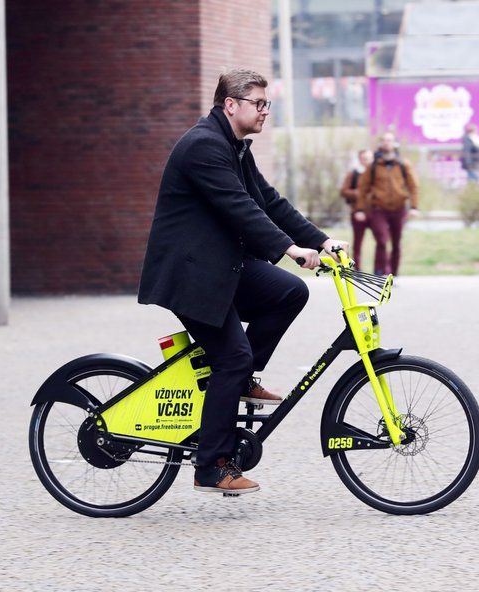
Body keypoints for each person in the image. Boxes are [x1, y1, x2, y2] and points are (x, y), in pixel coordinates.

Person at [137, 69, 348, 495]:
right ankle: (211, 467)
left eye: (267, 104)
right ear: (230, 105)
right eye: (259, 103)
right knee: (230, 357)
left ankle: (242, 377)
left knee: (289, 292)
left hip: (221, 265)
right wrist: (290, 249)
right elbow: (239, 209)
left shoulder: (234, 148)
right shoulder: (203, 147)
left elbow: (268, 202)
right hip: (191, 273)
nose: (265, 111)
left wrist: (321, 240)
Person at [354, 132, 419, 276]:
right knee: (382, 240)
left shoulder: (403, 164)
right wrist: (360, 209)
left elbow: (413, 186)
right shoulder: (374, 166)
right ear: (380, 144)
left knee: (396, 243)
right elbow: (363, 188)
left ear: (394, 143)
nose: (386, 143)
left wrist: (414, 207)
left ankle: (393, 274)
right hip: (379, 209)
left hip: (399, 208)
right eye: (384, 140)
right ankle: (380, 272)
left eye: (389, 140)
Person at [340, 149, 373, 267]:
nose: (366, 161)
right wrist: (359, 193)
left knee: (382, 241)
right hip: (357, 212)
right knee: (357, 243)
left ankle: (381, 271)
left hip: (375, 213)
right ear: (360, 159)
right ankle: (357, 269)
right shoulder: (354, 174)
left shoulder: (376, 174)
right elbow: (344, 191)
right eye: (364, 158)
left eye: (369, 158)